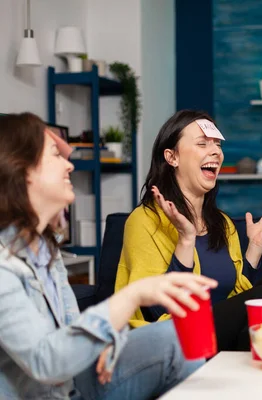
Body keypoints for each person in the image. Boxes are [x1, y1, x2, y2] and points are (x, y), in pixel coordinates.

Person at [0, 112, 217, 399]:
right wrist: (132, 296)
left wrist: (105, 343)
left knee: (176, 335)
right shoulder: (4, 267)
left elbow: (69, 328)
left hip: (73, 383)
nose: (69, 165)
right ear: (22, 170)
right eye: (55, 154)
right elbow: (46, 362)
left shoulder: (46, 250)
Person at [114, 110, 262, 351]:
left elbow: (235, 293)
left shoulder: (221, 223)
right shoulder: (144, 220)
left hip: (217, 338)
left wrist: (254, 247)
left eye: (217, 145)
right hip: (174, 339)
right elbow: (156, 309)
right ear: (172, 157)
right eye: (202, 144)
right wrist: (186, 240)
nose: (215, 151)